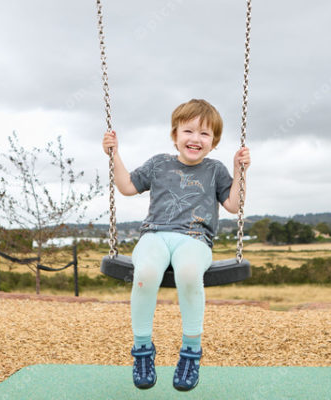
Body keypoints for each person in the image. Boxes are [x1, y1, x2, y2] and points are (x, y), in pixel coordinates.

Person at [102, 99, 251, 391]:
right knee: (144, 274)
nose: (196, 139)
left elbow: (234, 205)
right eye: (188, 131)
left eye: (205, 133)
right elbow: (127, 186)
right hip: (154, 235)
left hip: (195, 239)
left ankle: (191, 351)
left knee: (189, 273)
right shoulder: (159, 163)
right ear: (175, 135)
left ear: (214, 142)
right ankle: (142, 349)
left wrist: (240, 170)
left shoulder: (215, 170)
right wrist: (114, 154)